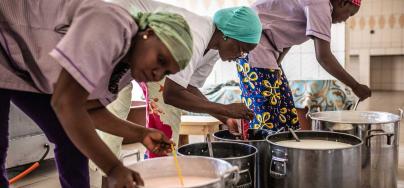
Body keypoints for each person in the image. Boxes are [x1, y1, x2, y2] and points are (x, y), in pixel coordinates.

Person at [0, 0, 193, 187]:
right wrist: (114, 168)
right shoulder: (112, 25)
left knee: (71, 137)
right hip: (6, 36)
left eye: (166, 72)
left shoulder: (126, 68)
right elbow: (66, 104)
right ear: (149, 33)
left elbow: (88, 111)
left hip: (22, 66)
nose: (157, 73)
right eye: (160, 59)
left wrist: (141, 133)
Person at [100, 0, 261, 159]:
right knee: (115, 107)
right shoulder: (197, 35)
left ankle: (160, 171)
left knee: (164, 116)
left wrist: (225, 117)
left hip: (142, 48)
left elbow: (188, 87)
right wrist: (224, 109)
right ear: (227, 36)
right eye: (241, 49)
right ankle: (105, 172)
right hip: (120, 29)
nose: (241, 56)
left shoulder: (214, 49)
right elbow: (172, 94)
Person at [229, 0, 371, 134]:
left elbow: (287, 37)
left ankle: (286, 156)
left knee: (287, 114)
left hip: (266, 47)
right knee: (267, 118)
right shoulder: (321, 5)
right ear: (343, 2)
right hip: (252, 43)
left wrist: (276, 69)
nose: (346, 19)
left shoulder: (318, 6)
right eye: (350, 13)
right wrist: (356, 86)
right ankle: (266, 157)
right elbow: (324, 57)